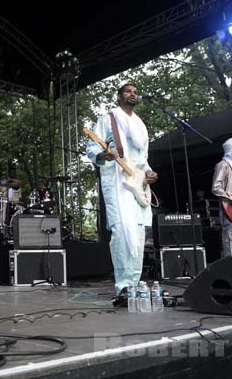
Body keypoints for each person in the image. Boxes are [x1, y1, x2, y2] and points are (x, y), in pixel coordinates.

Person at [86, 83, 158, 304]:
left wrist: (148, 172)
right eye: (128, 91)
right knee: (121, 233)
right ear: (119, 96)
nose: (133, 94)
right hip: (117, 182)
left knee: (137, 234)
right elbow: (92, 147)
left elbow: (141, 159)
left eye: (136, 92)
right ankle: (124, 286)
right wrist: (103, 155)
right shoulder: (108, 119)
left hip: (138, 184)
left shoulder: (140, 125)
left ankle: (135, 285)